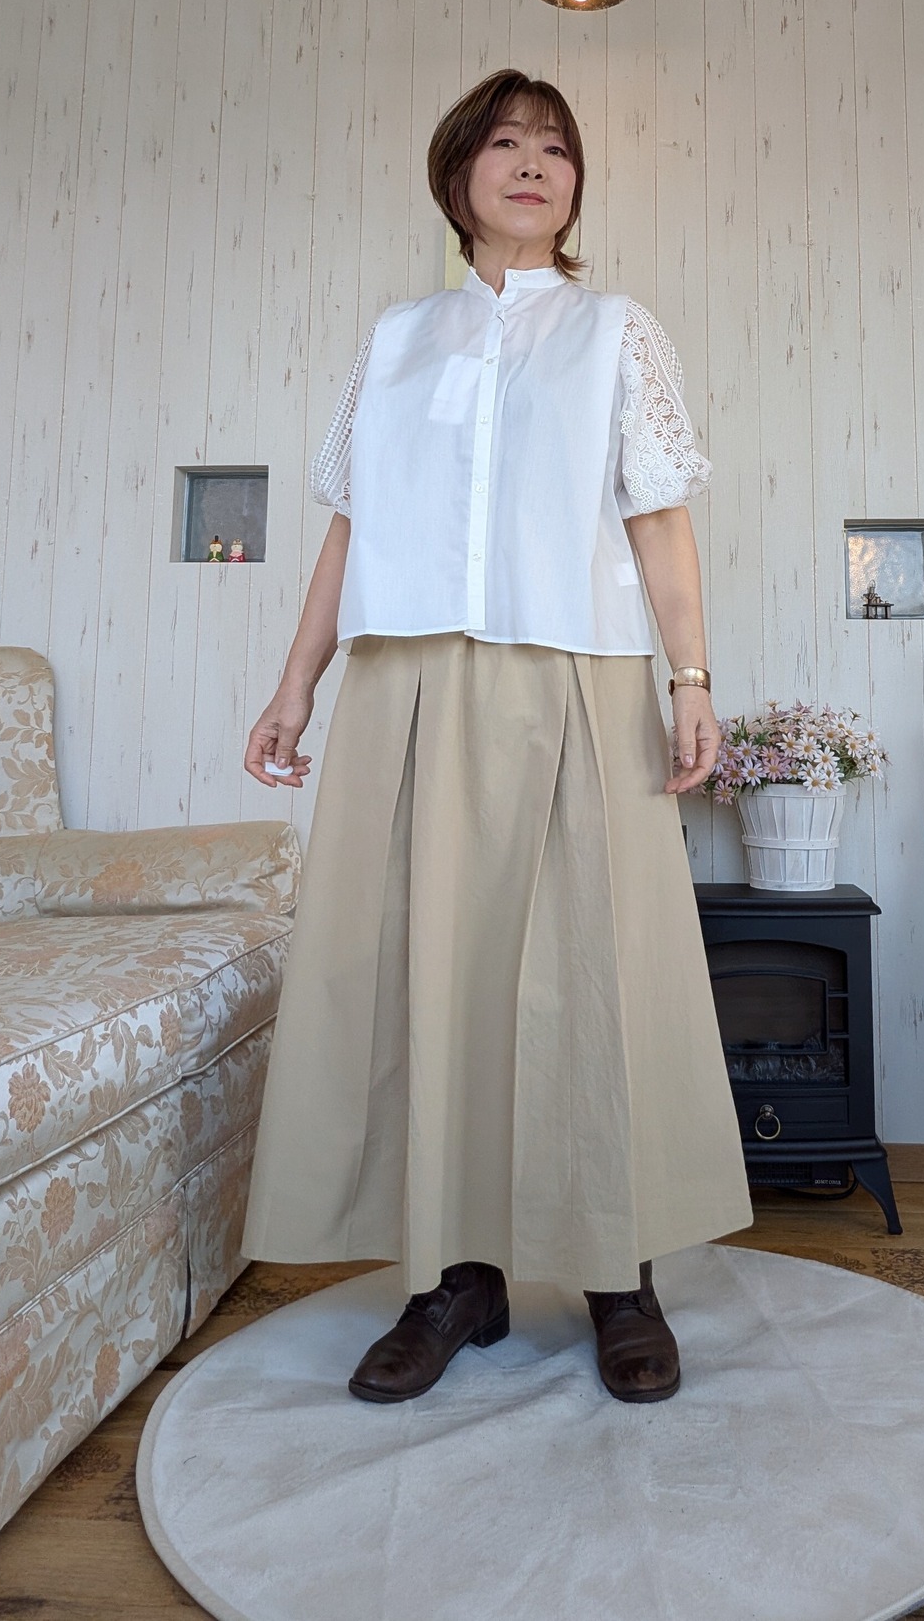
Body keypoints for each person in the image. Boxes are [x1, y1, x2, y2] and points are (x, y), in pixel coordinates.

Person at [240, 69, 752, 1406]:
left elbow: (659, 518)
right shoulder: (398, 339)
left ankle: (617, 1275)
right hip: (408, 682)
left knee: (595, 969)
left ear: (575, 185)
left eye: (557, 148)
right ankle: (453, 1279)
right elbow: (351, 528)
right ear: (457, 172)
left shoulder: (615, 331)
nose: (533, 163)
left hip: (576, 673)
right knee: (428, 973)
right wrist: (295, 687)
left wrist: (692, 679)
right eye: (507, 142)